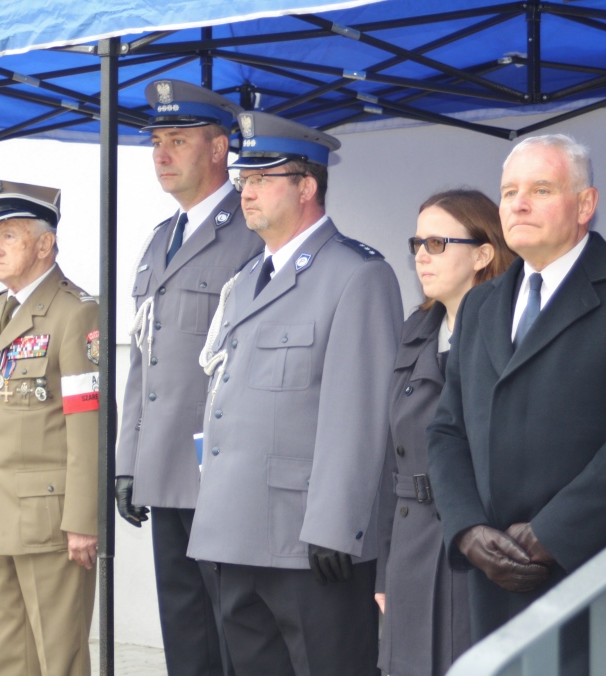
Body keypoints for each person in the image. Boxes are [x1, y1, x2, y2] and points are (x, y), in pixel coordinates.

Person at [188, 111, 402, 675]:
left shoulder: (356, 275)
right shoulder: (245, 281)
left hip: (309, 542)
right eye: (244, 179)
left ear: (306, 187)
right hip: (236, 534)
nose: (246, 191)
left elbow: (359, 416)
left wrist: (336, 527)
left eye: (263, 178)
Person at [427, 134, 606, 670]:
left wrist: (553, 532)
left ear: (585, 205)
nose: (518, 205)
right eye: (509, 192)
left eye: (540, 190)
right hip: (494, 581)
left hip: (586, 578)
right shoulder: (481, 303)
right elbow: (447, 430)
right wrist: (467, 529)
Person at [115, 79, 261, 676]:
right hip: (164, 465)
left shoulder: (250, 231)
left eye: (178, 140)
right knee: (183, 628)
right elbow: (142, 360)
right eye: (157, 142)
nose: (162, 154)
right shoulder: (160, 240)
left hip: (222, 469)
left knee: (235, 630)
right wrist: (127, 461)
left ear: (220, 147)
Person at [375, 190, 515, 676]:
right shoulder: (416, 329)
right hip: (411, 547)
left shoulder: (514, 333)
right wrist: (383, 567)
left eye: (436, 243)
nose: (420, 255)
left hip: (478, 545)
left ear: (482, 254)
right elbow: (391, 459)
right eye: (417, 243)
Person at [0, 180, 99, 676]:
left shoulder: (76, 311)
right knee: (8, 657)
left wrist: (83, 519)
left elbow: (87, 424)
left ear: (44, 245)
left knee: (59, 657)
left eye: (9, 236)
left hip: (49, 519)